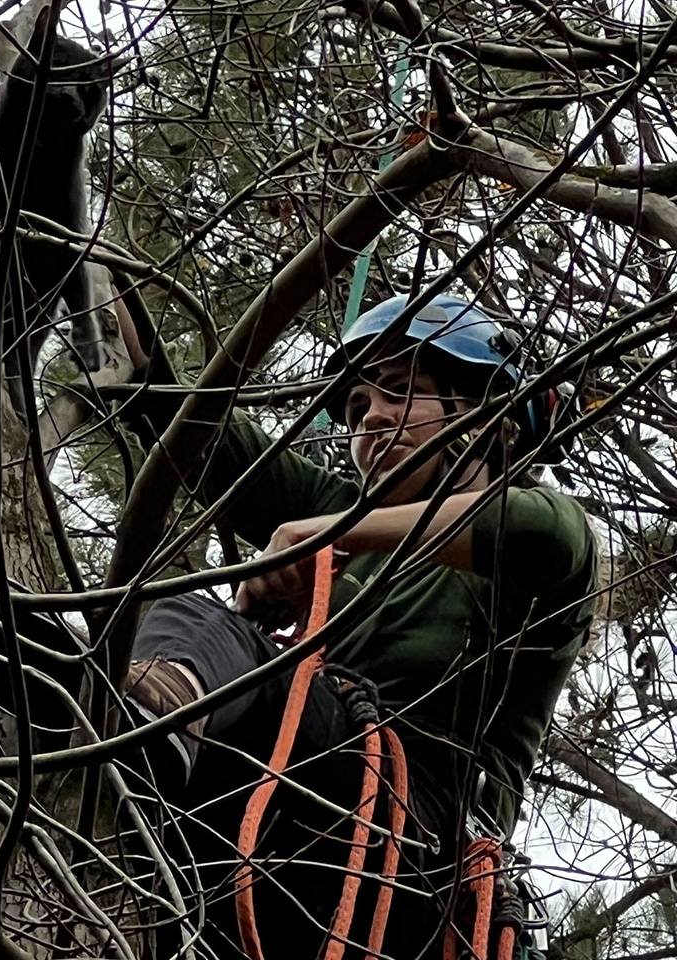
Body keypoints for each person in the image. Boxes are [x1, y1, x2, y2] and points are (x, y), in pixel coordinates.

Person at [124, 294, 598, 959]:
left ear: (479, 414)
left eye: (402, 392)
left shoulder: (538, 546)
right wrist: (101, 285)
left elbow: (540, 532)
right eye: (356, 408)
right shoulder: (339, 504)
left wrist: (326, 538)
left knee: (202, 628)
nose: (371, 417)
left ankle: (140, 721)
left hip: (416, 840)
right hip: (290, 831)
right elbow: (196, 431)